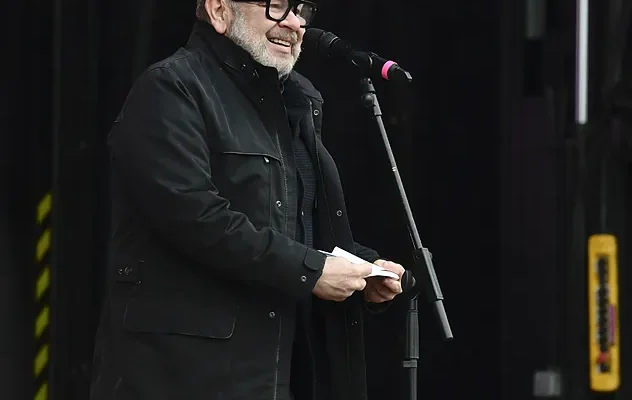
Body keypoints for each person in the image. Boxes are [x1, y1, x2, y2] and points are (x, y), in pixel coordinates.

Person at [89, 0, 408, 399]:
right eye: (276, 6)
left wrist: (362, 269)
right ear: (219, 10)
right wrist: (313, 270)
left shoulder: (296, 101)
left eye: (302, 10)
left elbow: (296, 228)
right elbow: (193, 216)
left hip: (277, 371)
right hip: (183, 375)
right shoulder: (172, 87)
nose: (294, 23)